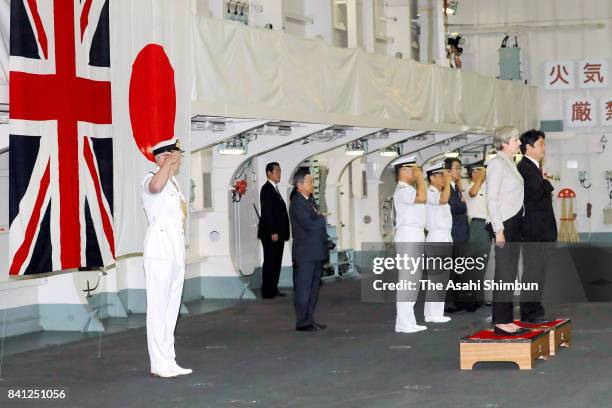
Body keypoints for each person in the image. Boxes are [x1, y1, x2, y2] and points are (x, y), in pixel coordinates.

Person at [142, 138, 192, 378]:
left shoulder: (175, 183)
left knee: (171, 308)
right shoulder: (152, 177)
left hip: (175, 248)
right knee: (158, 308)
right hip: (159, 248)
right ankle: (158, 363)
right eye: (175, 154)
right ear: (162, 157)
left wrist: (169, 165)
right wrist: (166, 164)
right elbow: (155, 188)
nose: (179, 158)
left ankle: (169, 359)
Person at [486, 127, 529, 336]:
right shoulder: (496, 163)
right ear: (504, 143)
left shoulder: (509, 162)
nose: (519, 143)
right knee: (503, 273)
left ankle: (506, 318)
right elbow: (491, 199)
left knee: (510, 274)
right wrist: (498, 229)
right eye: (515, 140)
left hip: (513, 222)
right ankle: (500, 321)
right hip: (504, 223)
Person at [518, 130, 556, 324]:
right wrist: (546, 182)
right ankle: (529, 311)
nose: (544, 148)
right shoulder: (525, 167)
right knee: (532, 271)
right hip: (534, 230)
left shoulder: (534, 168)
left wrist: (543, 180)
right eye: (541, 144)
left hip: (542, 230)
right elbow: (534, 192)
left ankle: (535, 307)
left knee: (539, 271)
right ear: (529, 147)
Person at [392, 156, 429, 333]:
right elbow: (422, 197)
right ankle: (403, 323)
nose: (415, 173)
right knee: (408, 280)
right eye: (413, 169)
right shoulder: (402, 189)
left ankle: (408, 320)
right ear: (403, 171)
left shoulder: (409, 189)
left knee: (414, 280)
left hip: (416, 234)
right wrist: (421, 177)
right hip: (408, 235)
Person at [289, 167, 328, 332]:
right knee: (303, 288)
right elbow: (310, 225)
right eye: (310, 182)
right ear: (299, 184)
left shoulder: (309, 200)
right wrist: (322, 218)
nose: (312, 184)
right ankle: (302, 322)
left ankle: (309, 318)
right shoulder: (297, 203)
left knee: (313, 289)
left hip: (315, 251)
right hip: (305, 253)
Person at [423, 161, 452, 323]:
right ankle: (434, 314)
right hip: (436, 238)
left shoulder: (437, 192)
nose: (443, 178)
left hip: (444, 237)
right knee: (437, 278)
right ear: (432, 177)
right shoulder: (431, 193)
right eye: (440, 175)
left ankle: (433, 313)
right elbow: (443, 199)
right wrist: (448, 182)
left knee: (441, 278)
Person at [443, 157, 472, 313]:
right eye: (456, 168)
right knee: (450, 271)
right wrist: (462, 203)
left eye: (460, 168)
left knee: (458, 270)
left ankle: (458, 300)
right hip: (453, 234)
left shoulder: (456, 187)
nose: (459, 171)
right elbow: (453, 208)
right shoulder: (446, 189)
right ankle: (448, 303)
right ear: (447, 171)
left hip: (461, 233)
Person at [258, 162, 290, 299]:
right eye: (276, 171)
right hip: (272, 234)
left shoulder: (275, 189)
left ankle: (273, 288)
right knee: (270, 262)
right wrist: (273, 232)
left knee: (276, 262)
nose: (279, 174)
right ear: (269, 173)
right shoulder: (266, 189)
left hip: (279, 234)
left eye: (280, 171)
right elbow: (267, 213)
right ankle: (267, 291)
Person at [465, 161, 492, 307]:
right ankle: (473, 298)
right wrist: (480, 179)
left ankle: (480, 297)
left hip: (487, 226)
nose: (483, 173)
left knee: (483, 264)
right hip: (477, 225)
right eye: (479, 171)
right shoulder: (470, 187)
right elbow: (473, 193)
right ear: (473, 173)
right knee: (475, 264)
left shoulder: (486, 187)